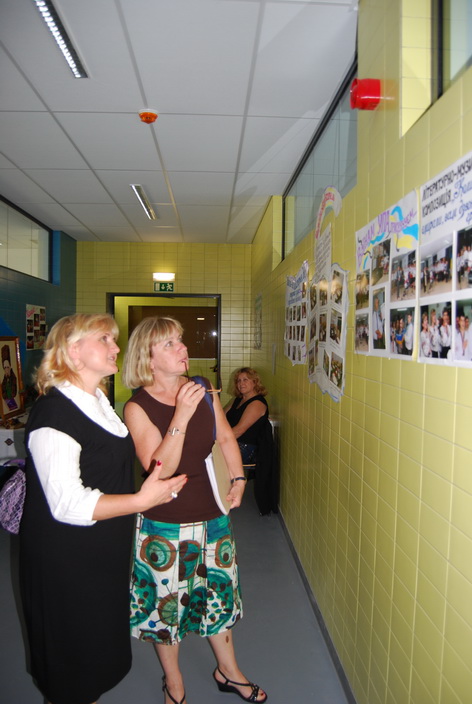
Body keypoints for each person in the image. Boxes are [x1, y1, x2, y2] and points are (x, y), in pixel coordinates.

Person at [19, 313, 186, 704]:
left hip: (101, 550)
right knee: (72, 662)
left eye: (114, 339)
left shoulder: (96, 401)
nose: (116, 347)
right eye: (105, 339)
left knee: (92, 653)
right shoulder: (54, 413)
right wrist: (141, 500)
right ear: (73, 351)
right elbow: (67, 503)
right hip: (66, 558)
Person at [122, 316, 267, 704]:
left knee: (218, 598)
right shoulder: (137, 407)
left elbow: (225, 437)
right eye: (169, 344)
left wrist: (238, 478)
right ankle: (174, 683)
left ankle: (229, 671)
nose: (183, 348)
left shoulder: (202, 387)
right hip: (165, 523)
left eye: (180, 340)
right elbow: (160, 470)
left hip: (213, 515)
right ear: (148, 358)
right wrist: (181, 416)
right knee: (167, 608)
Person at [224, 367, 269, 465]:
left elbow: (239, 431)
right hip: (234, 441)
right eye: (238, 381)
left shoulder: (257, 403)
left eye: (245, 380)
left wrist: (217, 441)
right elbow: (221, 418)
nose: (241, 384)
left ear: (255, 382)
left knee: (210, 456)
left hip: (247, 448)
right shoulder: (238, 400)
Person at [2, 344, 18, 410]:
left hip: (12, 398)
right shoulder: (4, 379)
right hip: (7, 400)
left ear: (10, 367)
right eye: (5, 367)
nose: (6, 369)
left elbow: (14, 389)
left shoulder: (13, 377)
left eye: (7, 367)